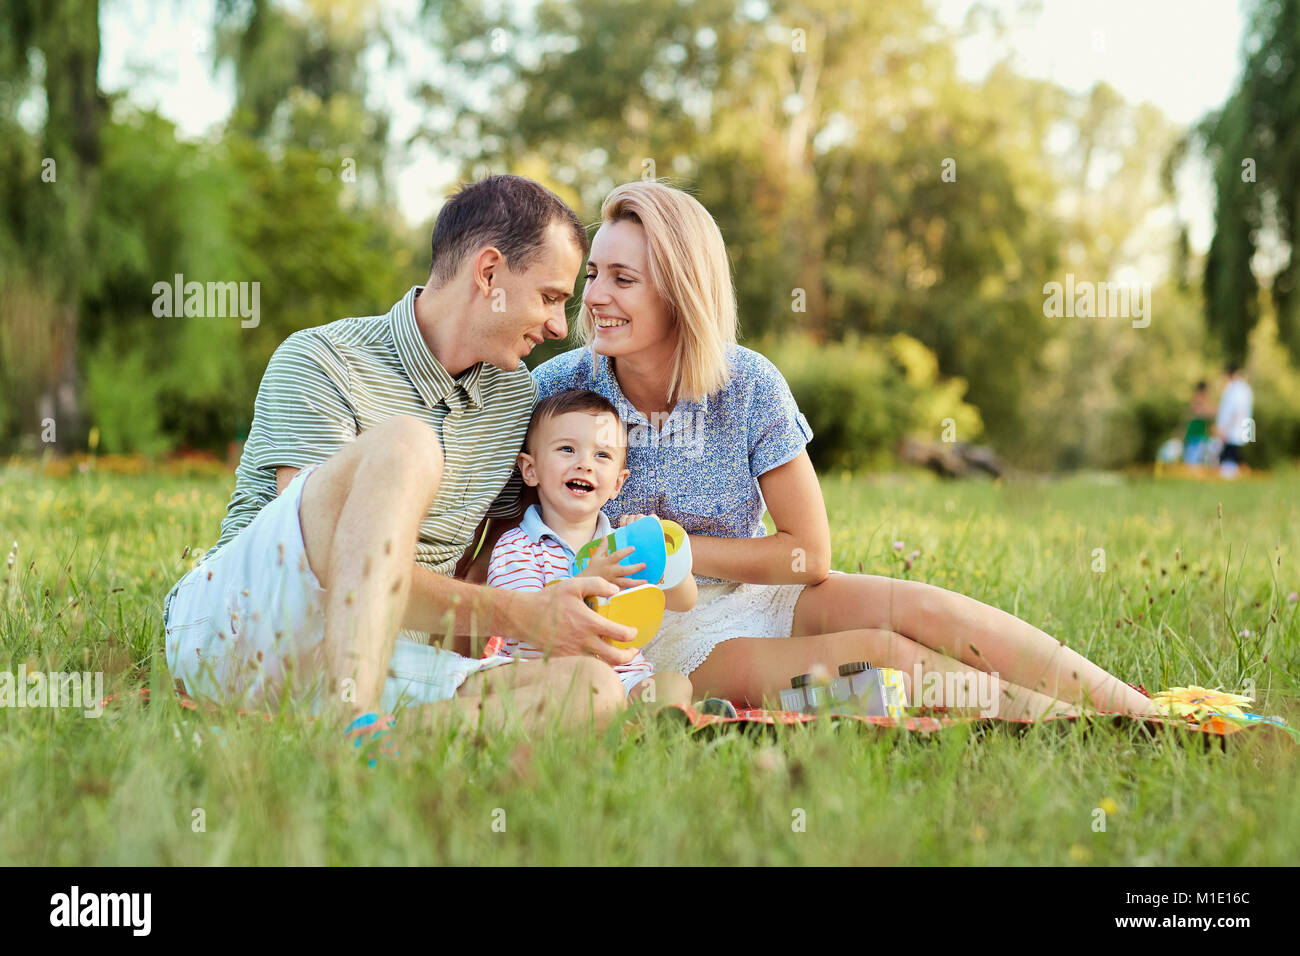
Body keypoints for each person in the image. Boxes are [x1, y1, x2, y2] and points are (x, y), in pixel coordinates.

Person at [473, 179, 1159, 719]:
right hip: (658, 637)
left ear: (682, 294)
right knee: (878, 658)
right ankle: (1058, 722)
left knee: (923, 610)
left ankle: (1129, 706)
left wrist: (676, 546)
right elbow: (505, 533)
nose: (594, 298)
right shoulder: (560, 387)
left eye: (623, 280)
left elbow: (810, 554)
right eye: (595, 275)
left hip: (758, 593)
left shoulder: (746, 384)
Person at [162, 175, 642, 742]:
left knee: (592, 689)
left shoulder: (515, 400)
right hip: (239, 630)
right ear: (488, 275)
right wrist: (519, 613)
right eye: (550, 297)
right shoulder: (323, 360)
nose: (561, 326)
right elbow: (337, 567)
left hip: (383, 656)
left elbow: (487, 562)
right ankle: (353, 723)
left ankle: (383, 746)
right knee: (409, 445)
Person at [485, 389, 696, 710]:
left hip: (624, 676)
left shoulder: (621, 544)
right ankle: (614, 723)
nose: (584, 464)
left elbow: (684, 601)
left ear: (617, 484)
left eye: (602, 455)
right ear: (530, 470)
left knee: (673, 685)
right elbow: (525, 625)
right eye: (567, 449)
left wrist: (659, 554)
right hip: (549, 678)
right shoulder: (517, 547)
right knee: (584, 695)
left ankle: (645, 727)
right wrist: (587, 579)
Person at [1214, 364, 1254, 478]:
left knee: (1230, 454)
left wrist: (1225, 428)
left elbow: (1235, 411)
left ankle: (1231, 475)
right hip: (1237, 429)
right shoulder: (1243, 388)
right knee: (1231, 453)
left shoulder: (1236, 390)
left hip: (1232, 429)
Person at [1182, 380, 1214, 466]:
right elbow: (1201, 412)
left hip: (1199, 432)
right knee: (1192, 456)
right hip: (1195, 432)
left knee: (1199, 454)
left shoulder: (1200, 398)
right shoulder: (1197, 398)